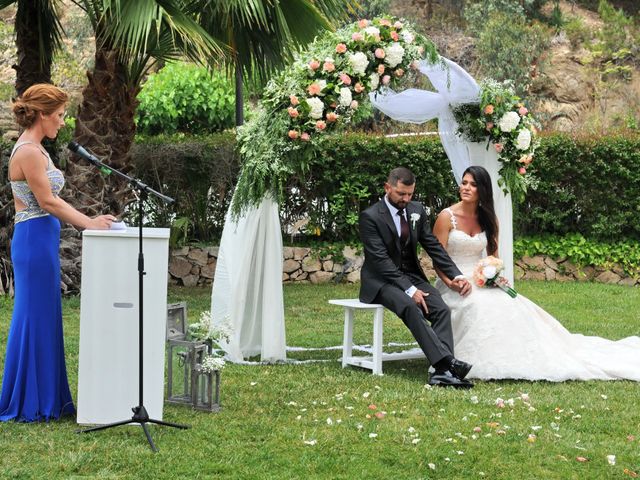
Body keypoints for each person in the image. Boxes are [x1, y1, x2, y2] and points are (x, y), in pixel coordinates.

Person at [433, 165, 640, 381]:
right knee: (478, 305)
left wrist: (494, 275)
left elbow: (492, 258)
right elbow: (438, 258)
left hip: (481, 279)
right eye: (464, 182)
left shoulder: (488, 218)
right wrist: (451, 282)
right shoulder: (446, 218)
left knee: (511, 302)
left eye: (473, 184)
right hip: (454, 280)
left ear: (482, 190)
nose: (466, 187)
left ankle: (518, 353)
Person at [0, 83, 116, 422]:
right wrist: (88, 223)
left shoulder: (38, 149)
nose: (63, 123)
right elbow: (48, 201)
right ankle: (29, 402)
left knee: (44, 315)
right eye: (60, 116)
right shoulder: (28, 153)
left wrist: (87, 221)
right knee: (33, 316)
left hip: (41, 238)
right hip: (33, 240)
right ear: (42, 115)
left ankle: (48, 398)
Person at [359, 167, 474, 388]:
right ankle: (447, 365)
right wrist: (410, 290)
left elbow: (433, 246)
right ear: (387, 187)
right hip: (381, 281)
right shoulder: (370, 216)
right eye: (401, 194)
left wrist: (456, 274)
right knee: (410, 306)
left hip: (411, 274)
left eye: (410, 194)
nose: (406, 199)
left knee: (441, 309)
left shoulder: (417, 210)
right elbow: (381, 261)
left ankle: (441, 371)